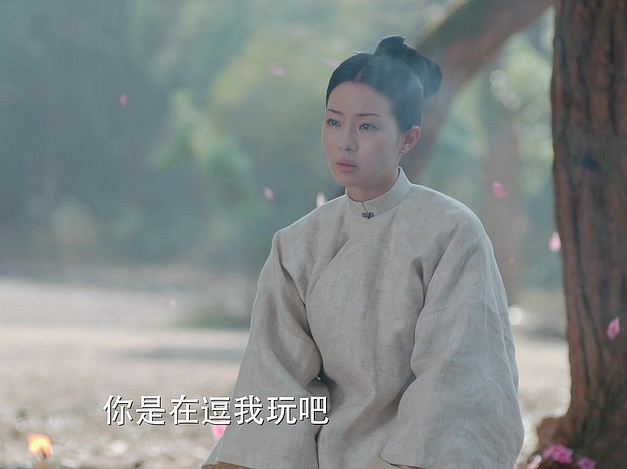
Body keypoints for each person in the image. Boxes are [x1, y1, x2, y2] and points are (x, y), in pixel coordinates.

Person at [201, 36, 523, 469]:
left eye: (367, 127)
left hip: (413, 458)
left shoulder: (451, 231)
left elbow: (457, 378)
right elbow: (275, 380)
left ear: (408, 139)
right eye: (334, 122)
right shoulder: (297, 244)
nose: (345, 142)